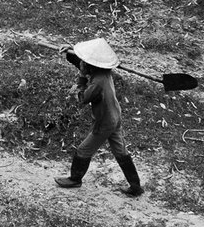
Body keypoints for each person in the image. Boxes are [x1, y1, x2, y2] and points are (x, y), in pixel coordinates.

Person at [54, 38, 143, 197]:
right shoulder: (104, 72)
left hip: (104, 122)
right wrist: (71, 51)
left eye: (84, 64)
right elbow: (85, 63)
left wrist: (81, 78)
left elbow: (81, 98)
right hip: (115, 117)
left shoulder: (96, 84)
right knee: (120, 151)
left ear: (89, 66)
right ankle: (135, 186)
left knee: (83, 149)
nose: (82, 65)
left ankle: (75, 179)